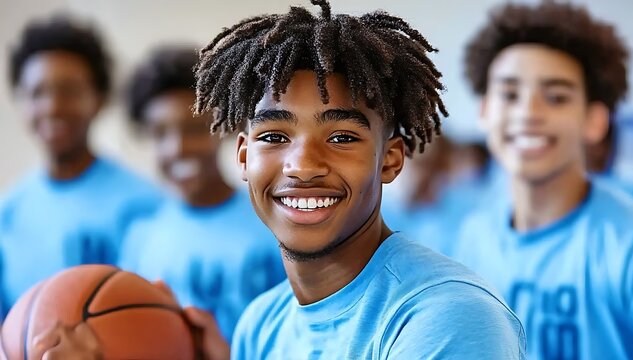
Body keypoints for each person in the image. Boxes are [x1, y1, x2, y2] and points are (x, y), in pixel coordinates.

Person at [31, 1, 526, 359]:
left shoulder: (448, 317)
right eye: (274, 135)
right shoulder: (260, 326)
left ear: (390, 159)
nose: (302, 165)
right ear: (244, 156)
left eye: (341, 137)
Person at [456, 2, 633, 359]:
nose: (529, 113)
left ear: (594, 121)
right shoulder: (473, 237)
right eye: (510, 94)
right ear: (484, 111)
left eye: (556, 97)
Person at [119, 46, 285, 342]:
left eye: (194, 129)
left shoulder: (273, 225)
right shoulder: (140, 236)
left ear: (226, 128)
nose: (177, 148)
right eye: (160, 133)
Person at [0, 15, 161, 318]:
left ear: (98, 99)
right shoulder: (7, 212)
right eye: (37, 93)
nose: (52, 106)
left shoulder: (146, 204)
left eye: (69, 91)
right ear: (20, 101)